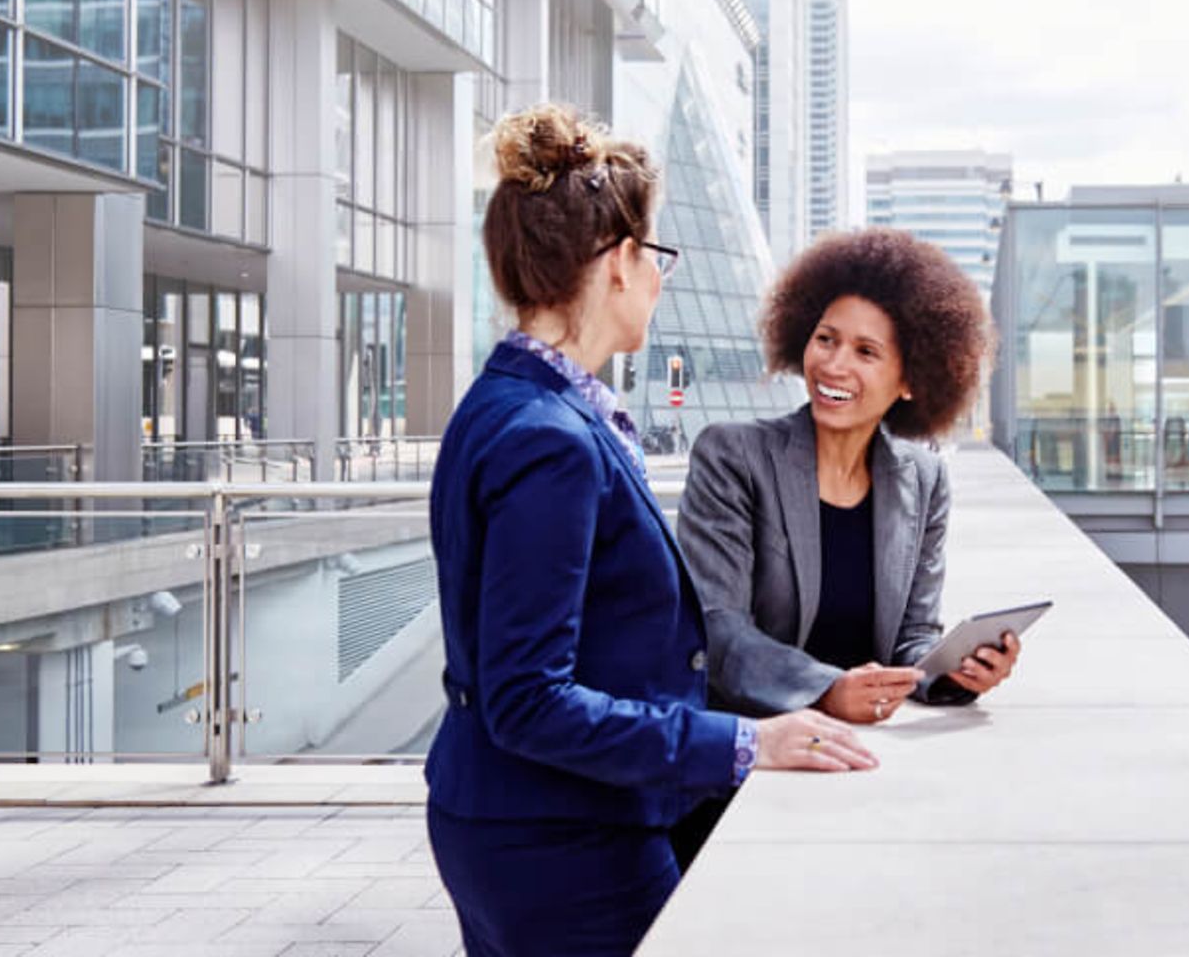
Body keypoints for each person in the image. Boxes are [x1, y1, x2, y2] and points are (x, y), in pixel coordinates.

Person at [423, 104, 876, 957]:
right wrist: (744, 742)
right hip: (567, 839)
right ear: (620, 265)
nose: (662, 280)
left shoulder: (509, 403)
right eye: (656, 256)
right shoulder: (547, 439)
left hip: (519, 818)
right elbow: (530, 697)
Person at [678, 228, 1020, 722]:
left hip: (860, 747)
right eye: (826, 340)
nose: (834, 365)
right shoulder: (733, 455)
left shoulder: (923, 479)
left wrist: (953, 671)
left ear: (909, 380)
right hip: (754, 749)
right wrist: (825, 689)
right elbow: (717, 627)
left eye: (866, 352)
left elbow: (912, 637)